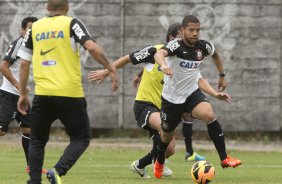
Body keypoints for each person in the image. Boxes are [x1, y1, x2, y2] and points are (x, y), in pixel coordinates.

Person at [88, 23, 231, 178]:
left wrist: (214, 92)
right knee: (165, 132)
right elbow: (128, 58)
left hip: (165, 106)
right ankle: (158, 162)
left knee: (170, 149)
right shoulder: (155, 51)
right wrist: (106, 71)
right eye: (180, 36)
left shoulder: (184, 56)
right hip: (146, 105)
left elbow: (196, 78)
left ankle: (140, 165)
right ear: (171, 38)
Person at [17, 0, 118, 184]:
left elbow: (24, 63)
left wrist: (23, 94)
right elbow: (92, 47)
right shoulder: (72, 23)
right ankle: (57, 171)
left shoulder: (35, 28)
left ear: (47, 8)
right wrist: (110, 67)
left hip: (42, 94)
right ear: (68, 7)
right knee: (81, 137)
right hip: (70, 94)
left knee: (37, 140)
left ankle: (33, 181)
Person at [153, 15, 242, 178]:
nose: (195, 33)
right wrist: (164, 65)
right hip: (171, 99)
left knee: (209, 114)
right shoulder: (175, 45)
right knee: (166, 135)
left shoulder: (203, 47)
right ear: (183, 30)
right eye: (191, 30)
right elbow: (159, 53)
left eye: (198, 30)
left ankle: (224, 158)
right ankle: (159, 161)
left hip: (191, 94)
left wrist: (222, 76)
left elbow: (215, 55)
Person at [0, 16, 39, 173]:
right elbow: (3, 66)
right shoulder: (19, 43)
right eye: (29, 28)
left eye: (34, 29)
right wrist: (18, 86)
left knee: (29, 129)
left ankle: (32, 166)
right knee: (1, 131)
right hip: (9, 93)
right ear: (22, 30)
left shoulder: (33, 46)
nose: (32, 32)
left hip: (21, 95)